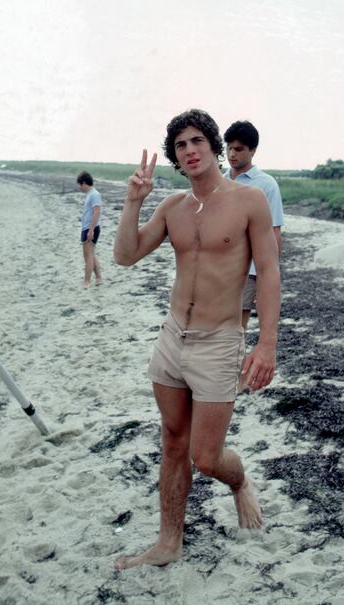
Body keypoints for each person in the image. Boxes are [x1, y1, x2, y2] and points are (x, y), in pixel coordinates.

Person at [114, 109, 280, 571]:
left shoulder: (249, 201)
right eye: (181, 145)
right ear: (176, 156)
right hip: (172, 339)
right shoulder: (172, 208)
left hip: (219, 340)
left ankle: (239, 480)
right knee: (172, 442)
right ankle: (169, 542)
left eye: (197, 141)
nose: (189, 150)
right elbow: (126, 256)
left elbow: (268, 272)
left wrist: (265, 344)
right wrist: (133, 202)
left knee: (206, 457)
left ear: (212, 145)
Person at [224, 121, 284, 329]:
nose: (232, 154)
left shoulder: (266, 185)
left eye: (238, 149)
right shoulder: (220, 182)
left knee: (237, 328)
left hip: (249, 269)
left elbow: (274, 232)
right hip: (218, 267)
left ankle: (235, 363)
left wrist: (268, 281)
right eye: (228, 148)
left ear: (253, 150)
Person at [77, 171, 102, 288]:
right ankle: (98, 278)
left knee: (88, 256)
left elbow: (97, 212)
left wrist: (91, 230)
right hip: (87, 227)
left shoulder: (94, 194)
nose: (79, 187)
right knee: (91, 254)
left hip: (91, 228)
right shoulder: (90, 194)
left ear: (83, 183)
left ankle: (87, 281)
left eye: (79, 184)